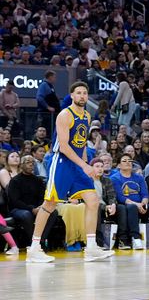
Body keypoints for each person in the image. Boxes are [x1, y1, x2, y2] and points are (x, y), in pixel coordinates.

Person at [26, 82, 113, 262]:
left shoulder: (87, 116)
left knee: (93, 200)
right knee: (50, 203)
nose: (82, 96)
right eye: (78, 93)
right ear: (72, 96)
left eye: (84, 93)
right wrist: (84, 165)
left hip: (78, 164)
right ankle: (34, 248)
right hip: (62, 163)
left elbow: (80, 143)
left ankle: (91, 247)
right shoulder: (65, 115)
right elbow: (64, 147)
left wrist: (85, 161)